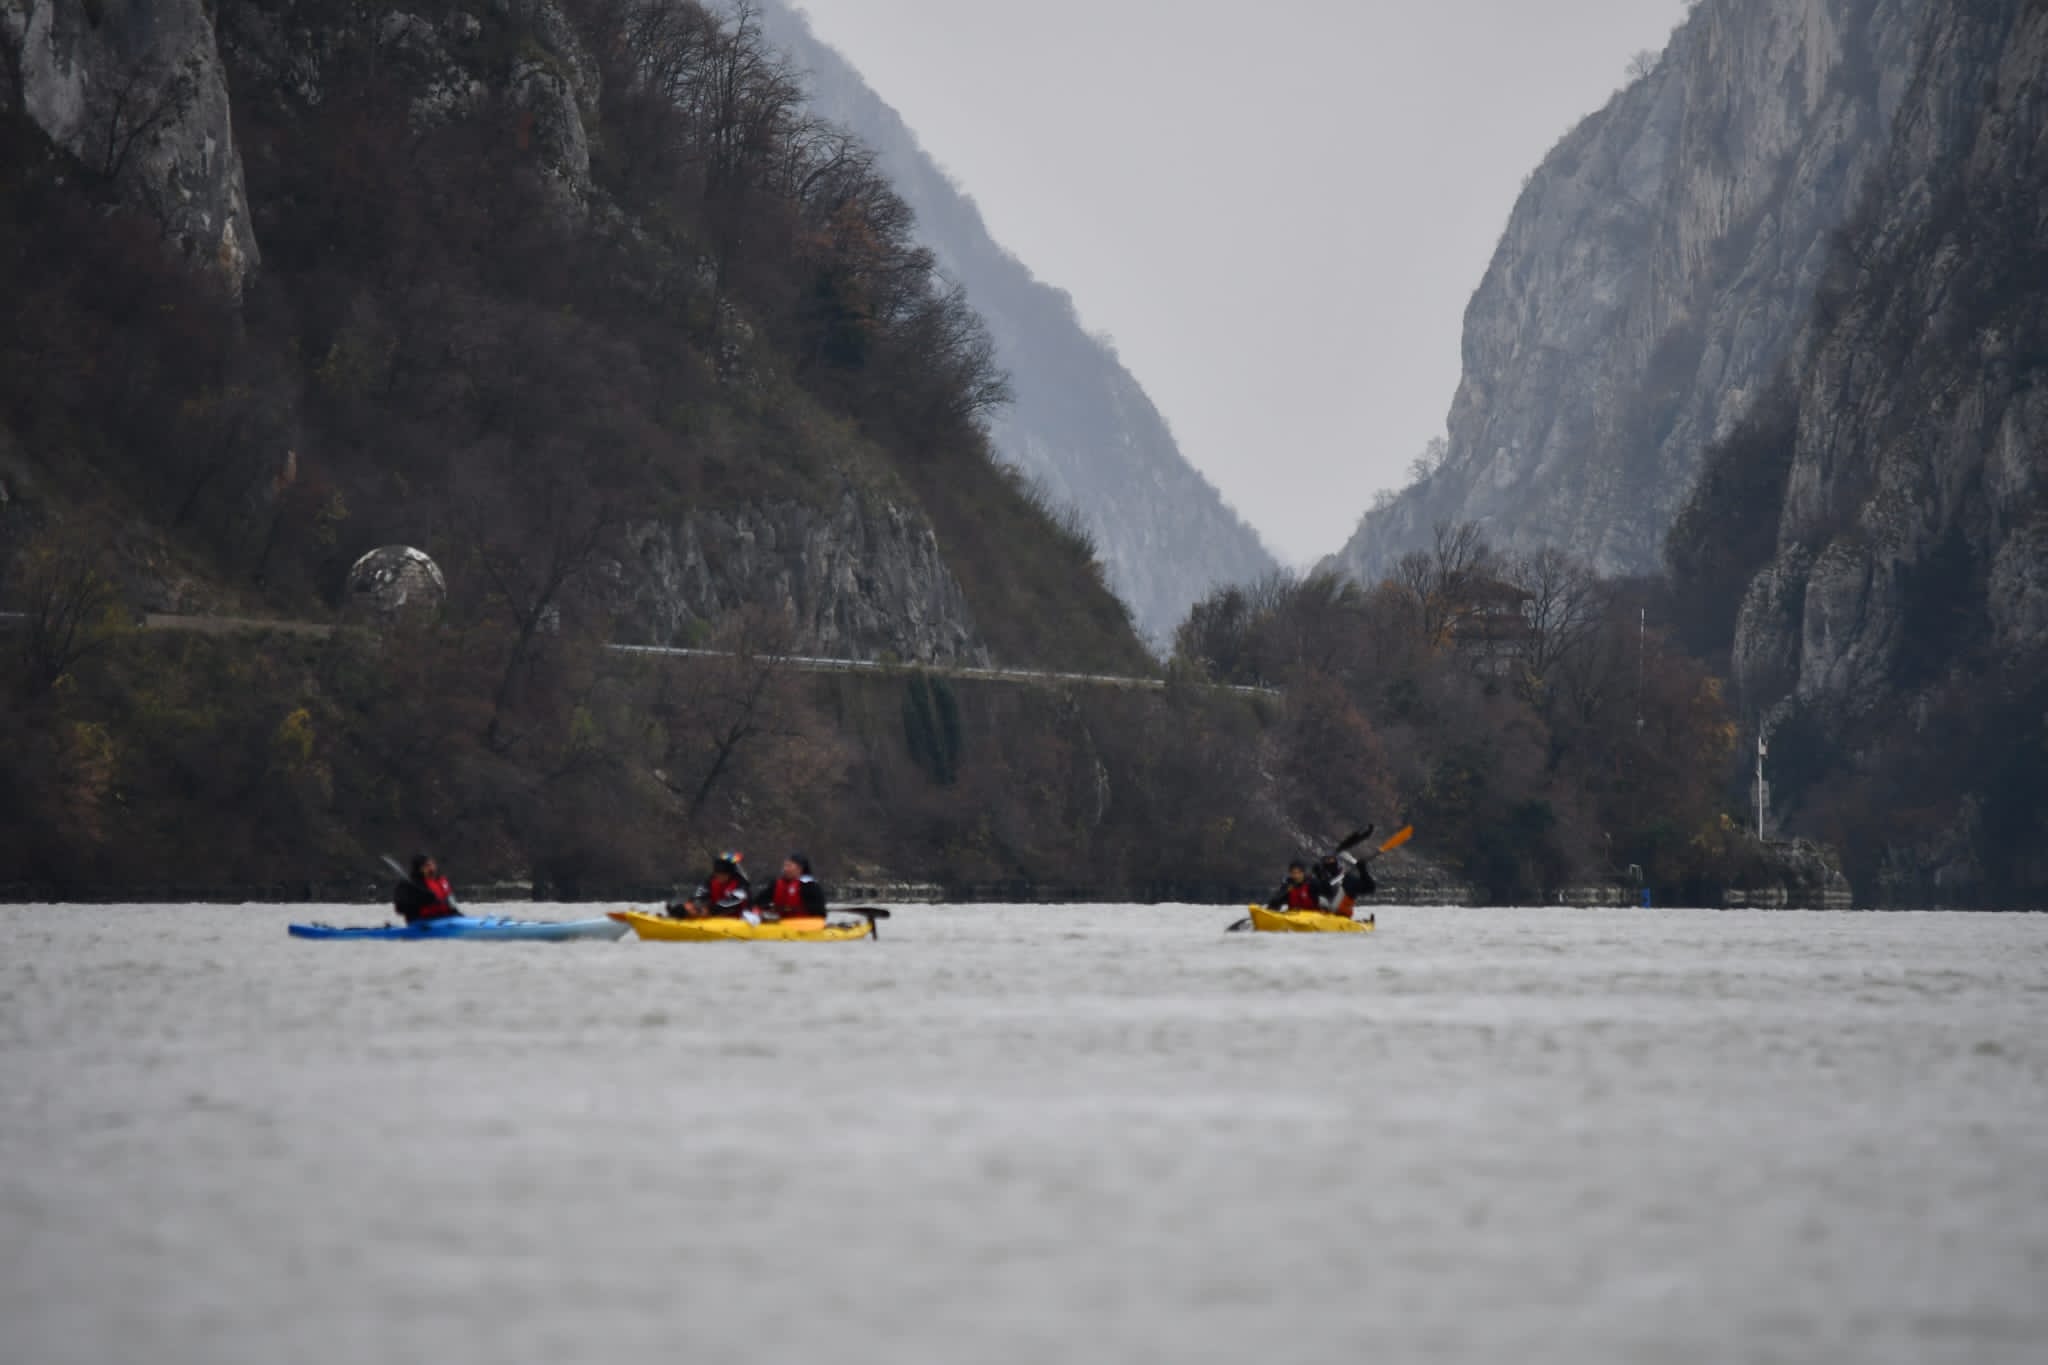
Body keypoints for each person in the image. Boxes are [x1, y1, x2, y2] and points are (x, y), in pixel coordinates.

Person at [669, 850, 751, 918]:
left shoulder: (741, 885)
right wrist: (693, 904)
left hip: (737, 919)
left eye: (722, 874)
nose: (719, 877)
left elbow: (732, 903)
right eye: (717, 874)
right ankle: (675, 914)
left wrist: (709, 909)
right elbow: (699, 895)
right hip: (712, 916)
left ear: (730, 874)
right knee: (688, 907)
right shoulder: (710, 881)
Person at [760, 853, 828, 921]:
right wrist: (768, 908)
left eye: (789, 866)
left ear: (800, 868)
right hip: (780, 924)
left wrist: (791, 909)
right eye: (785, 866)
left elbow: (819, 912)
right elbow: (759, 902)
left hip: (804, 925)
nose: (785, 869)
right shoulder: (776, 885)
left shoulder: (810, 886)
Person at [394, 855, 459, 924]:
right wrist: (423, 899)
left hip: (446, 919)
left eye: (432, 864)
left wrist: (458, 914)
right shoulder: (407, 885)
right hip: (421, 922)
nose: (432, 868)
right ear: (419, 868)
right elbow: (400, 908)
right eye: (427, 866)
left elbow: (452, 904)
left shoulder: (441, 881)